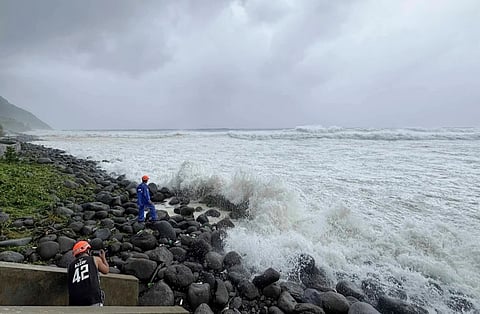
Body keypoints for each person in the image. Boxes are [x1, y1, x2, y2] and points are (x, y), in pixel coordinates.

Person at [67, 240, 109, 306]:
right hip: (92, 299)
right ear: (87, 250)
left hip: (75, 302)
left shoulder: (71, 266)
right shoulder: (95, 259)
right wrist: (103, 258)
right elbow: (106, 270)